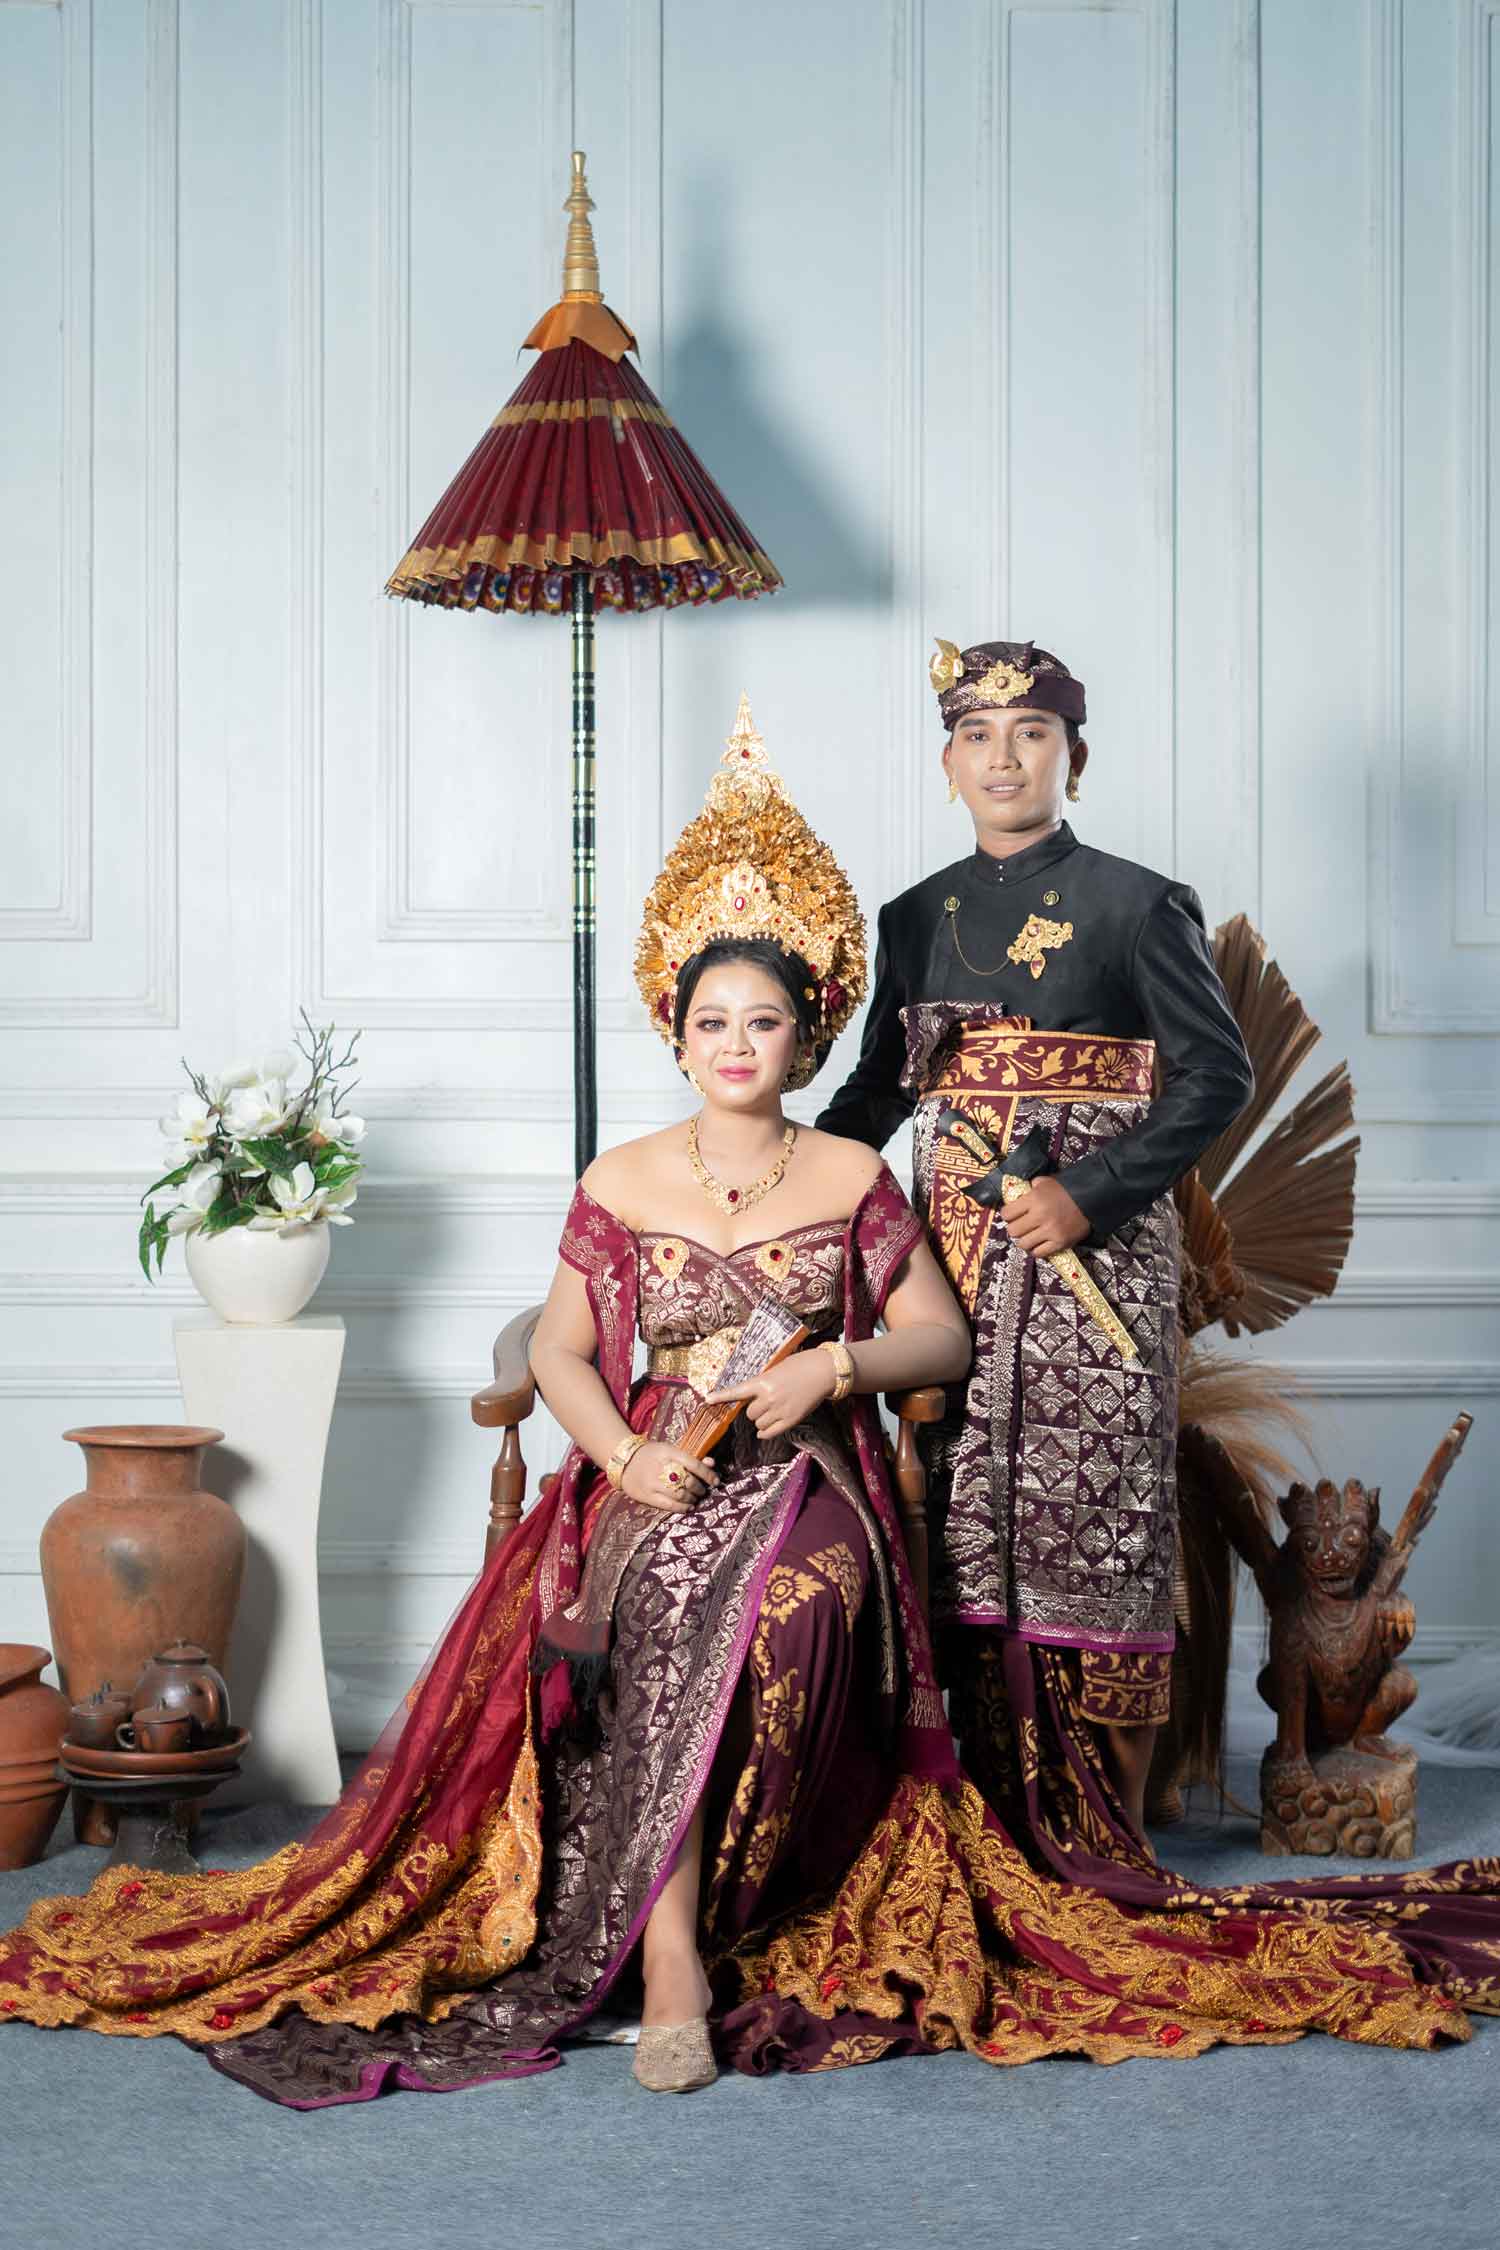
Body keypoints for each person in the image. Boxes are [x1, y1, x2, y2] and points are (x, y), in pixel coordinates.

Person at [5, 700, 1500, 2102]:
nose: (737, 1044)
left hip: (811, 1466)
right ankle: (667, 1946)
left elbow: (939, 1337)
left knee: (800, 1602)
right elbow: (563, 1347)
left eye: (766, 1023)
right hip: (650, 1465)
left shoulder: (860, 1166)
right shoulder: (621, 1175)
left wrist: (829, 1365)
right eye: (712, 1021)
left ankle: (757, 1896)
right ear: (677, 1032)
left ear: (807, 1037)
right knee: (657, 1607)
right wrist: (616, 1454)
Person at [817, 638, 1255, 1843]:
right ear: (946, 761)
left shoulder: (1139, 903)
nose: (1003, 758)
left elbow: (1217, 1075)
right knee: (953, 1503)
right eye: (977, 735)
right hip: (952, 1263)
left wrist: (1090, 1193)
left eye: (1031, 734)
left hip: (1094, 1266)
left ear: (1074, 755)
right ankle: (976, 1806)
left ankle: (1109, 1817)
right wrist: (769, 1171)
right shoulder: (913, 919)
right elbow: (876, 1096)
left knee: (1099, 1511)